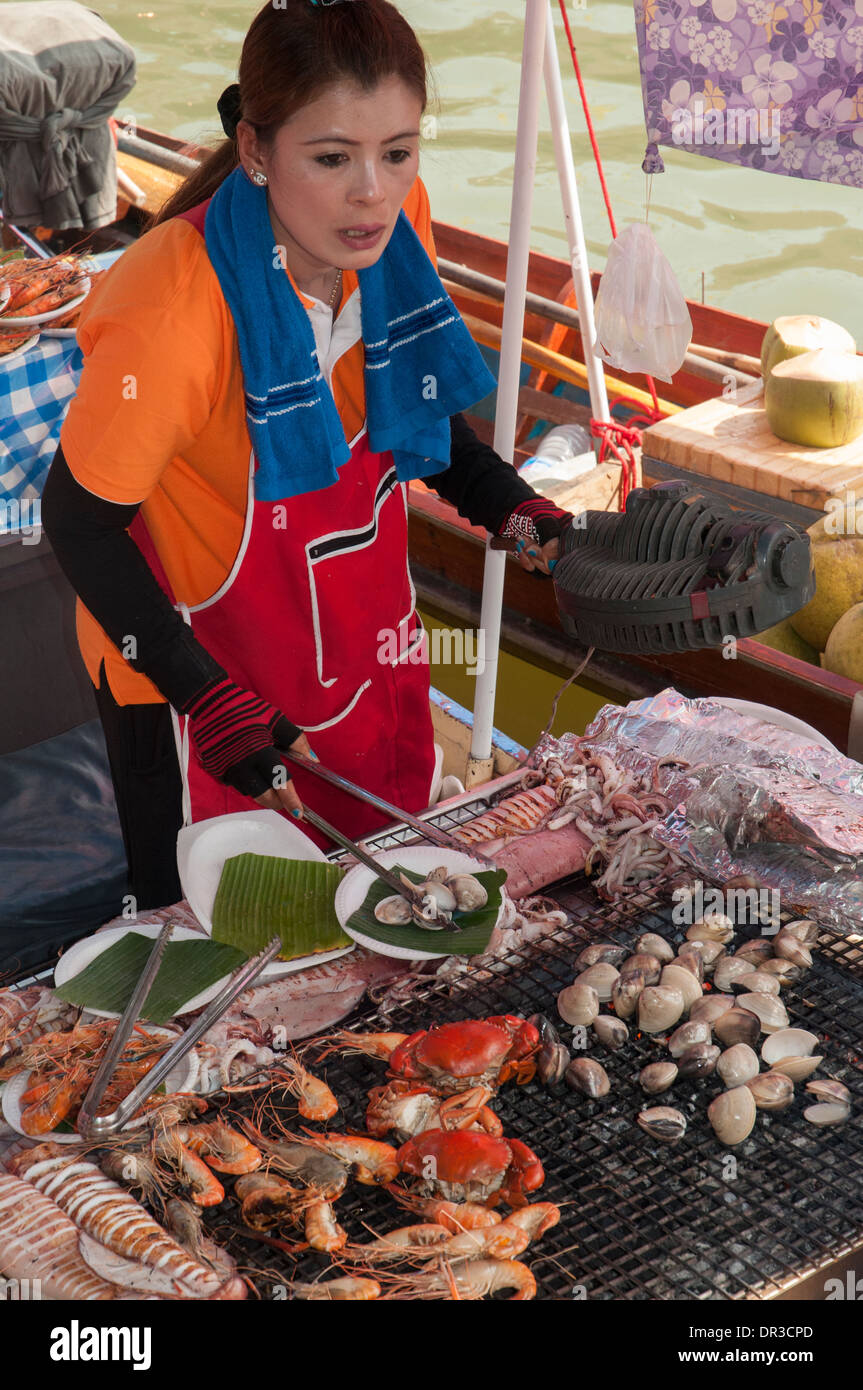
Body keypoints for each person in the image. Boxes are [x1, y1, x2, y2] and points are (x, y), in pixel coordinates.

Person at [42, 0, 573, 911]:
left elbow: (412, 415)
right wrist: (205, 698)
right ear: (254, 150)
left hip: (360, 643)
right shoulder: (174, 306)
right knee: (226, 941)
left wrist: (525, 517)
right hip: (188, 668)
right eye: (331, 159)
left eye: (398, 152)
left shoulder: (390, 236)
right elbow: (80, 525)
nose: (373, 191)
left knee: (390, 906)